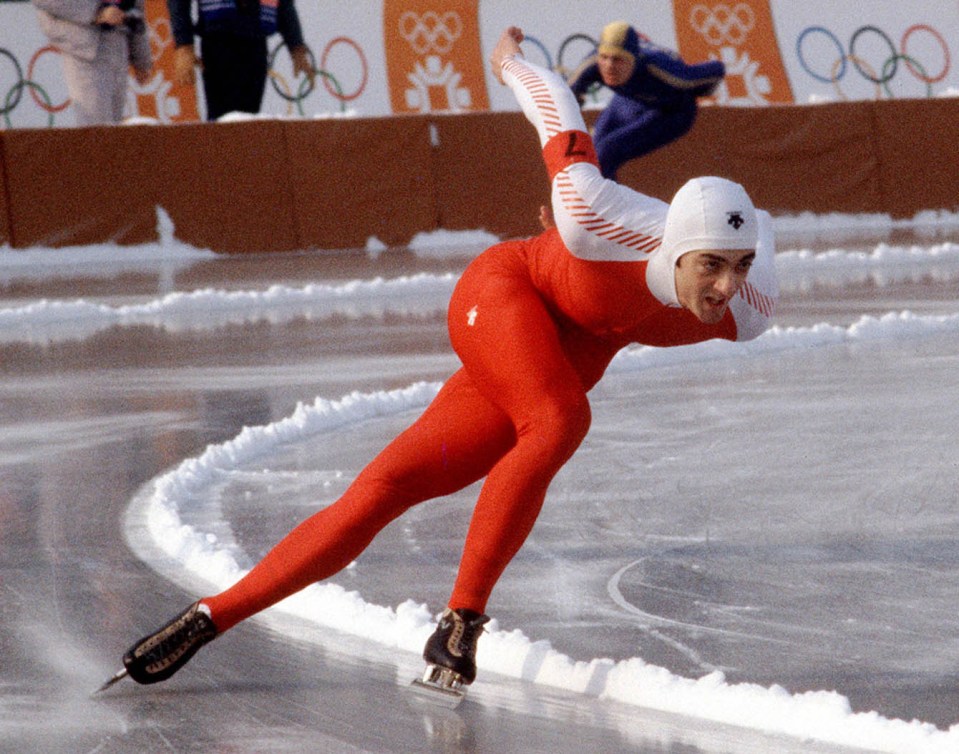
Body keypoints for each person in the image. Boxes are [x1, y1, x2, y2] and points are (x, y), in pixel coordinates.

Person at [103, 26, 777, 697]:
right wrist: (511, 59)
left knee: (387, 487)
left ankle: (207, 617)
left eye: (738, 266)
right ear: (673, 251)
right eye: (709, 265)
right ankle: (460, 623)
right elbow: (557, 112)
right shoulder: (591, 214)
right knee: (558, 418)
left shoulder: (745, 309)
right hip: (506, 295)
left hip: (566, 349)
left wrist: (742, 266)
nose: (722, 285)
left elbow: (745, 266)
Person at [567, 21, 725, 179]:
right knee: (591, 152)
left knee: (606, 152)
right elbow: (566, 93)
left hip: (671, 112)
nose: (609, 66)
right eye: (604, 57)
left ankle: (609, 203)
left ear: (634, 61)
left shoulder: (664, 71)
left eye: (618, 59)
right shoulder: (592, 64)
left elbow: (717, 69)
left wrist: (703, 91)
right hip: (629, 100)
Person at [166, 0, 315, 121]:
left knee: (249, 120)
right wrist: (183, 45)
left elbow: (284, 4)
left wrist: (296, 46)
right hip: (219, 41)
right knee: (222, 122)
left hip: (255, 40)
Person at [31, 0, 153, 126]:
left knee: (115, 130)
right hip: (84, 44)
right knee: (97, 128)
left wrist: (142, 58)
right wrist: (96, 11)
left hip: (119, 40)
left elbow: (136, 8)